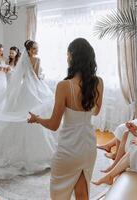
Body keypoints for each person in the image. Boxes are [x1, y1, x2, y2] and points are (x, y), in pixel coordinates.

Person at [28, 38, 104, 200]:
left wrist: (38, 119)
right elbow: (96, 112)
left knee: (59, 192)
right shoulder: (98, 83)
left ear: (72, 56)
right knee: (82, 193)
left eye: (67, 54)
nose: (66, 58)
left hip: (69, 148)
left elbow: (54, 125)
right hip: (89, 146)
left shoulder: (64, 86)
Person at [0, 40, 56, 179]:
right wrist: (41, 77)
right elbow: (35, 77)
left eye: (37, 48)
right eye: (34, 48)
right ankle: (37, 153)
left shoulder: (23, 60)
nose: (36, 50)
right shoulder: (37, 60)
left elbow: (22, 77)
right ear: (29, 50)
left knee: (24, 114)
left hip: (25, 89)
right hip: (33, 89)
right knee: (34, 113)